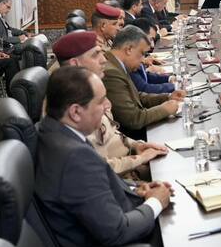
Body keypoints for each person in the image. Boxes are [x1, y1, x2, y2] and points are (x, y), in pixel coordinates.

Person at [35, 65, 173, 247]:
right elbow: (117, 232)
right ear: (75, 112)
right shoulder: (74, 158)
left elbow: (94, 194)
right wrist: (156, 202)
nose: (108, 106)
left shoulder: (55, 132)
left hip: (121, 219)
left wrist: (137, 191)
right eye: (101, 101)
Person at [53, 31, 168, 181]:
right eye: (95, 55)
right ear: (75, 63)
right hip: (118, 180)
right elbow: (96, 166)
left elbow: (112, 132)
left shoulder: (90, 86)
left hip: (129, 165)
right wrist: (139, 159)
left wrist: (137, 146)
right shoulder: (70, 102)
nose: (103, 60)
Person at [103, 25, 183, 135]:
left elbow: (136, 97)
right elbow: (133, 119)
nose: (143, 60)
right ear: (129, 49)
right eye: (142, 54)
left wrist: (168, 97)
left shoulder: (118, 65)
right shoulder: (111, 72)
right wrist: (164, 109)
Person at [130, 18, 175, 94]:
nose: (152, 45)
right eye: (150, 39)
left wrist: (169, 78)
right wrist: (174, 86)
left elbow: (146, 77)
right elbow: (144, 88)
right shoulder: (130, 59)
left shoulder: (137, 54)